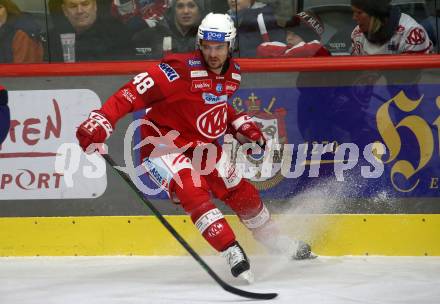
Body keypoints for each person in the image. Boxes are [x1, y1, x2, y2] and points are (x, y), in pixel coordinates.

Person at [76, 13, 312, 282]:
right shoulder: (177, 69)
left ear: (230, 46)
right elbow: (130, 92)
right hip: (162, 144)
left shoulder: (233, 74)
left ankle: (274, 239)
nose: (212, 54)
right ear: (200, 44)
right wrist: (101, 120)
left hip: (201, 145)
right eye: (207, 46)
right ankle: (229, 248)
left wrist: (240, 126)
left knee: (239, 190)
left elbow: (215, 107)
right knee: (191, 188)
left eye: (219, 47)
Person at [49, 0, 135, 62]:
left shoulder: (117, 33)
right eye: (73, 6)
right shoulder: (53, 38)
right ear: (65, 11)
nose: (79, 11)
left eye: (85, 4)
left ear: (95, 6)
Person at [351, 0, 432, 55]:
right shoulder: (357, 34)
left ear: (376, 14)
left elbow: (411, 76)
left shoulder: (412, 33)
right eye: (353, 12)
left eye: (359, 12)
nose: (354, 18)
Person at [132, 0, 203, 59]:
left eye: (191, 6)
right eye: (180, 6)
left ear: (199, 10)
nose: (186, 11)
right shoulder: (150, 35)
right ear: (173, 11)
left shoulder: (207, 36)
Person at [256, 10, 331, 58]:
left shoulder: (319, 53)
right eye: (288, 33)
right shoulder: (288, 51)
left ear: (308, 38)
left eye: (294, 34)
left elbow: (314, 48)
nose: (289, 38)